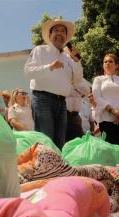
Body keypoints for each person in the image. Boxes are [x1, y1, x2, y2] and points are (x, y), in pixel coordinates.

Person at [24, 19, 83, 149]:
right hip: (43, 99)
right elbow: (28, 72)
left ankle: (57, 170)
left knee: (59, 143)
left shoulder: (68, 58)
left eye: (63, 31)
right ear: (50, 35)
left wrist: (77, 62)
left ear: (66, 37)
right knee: (46, 142)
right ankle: (45, 169)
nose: (59, 33)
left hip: (62, 103)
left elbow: (77, 80)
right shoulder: (40, 50)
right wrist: (50, 67)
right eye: (56, 30)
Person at [92, 53, 119, 159]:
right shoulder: (98, 79)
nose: (107, 63)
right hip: (106, 119)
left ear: (116, 65)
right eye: (105, 62)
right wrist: (113, 111)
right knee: (109, 152)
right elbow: (97, 97)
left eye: (110, 61)